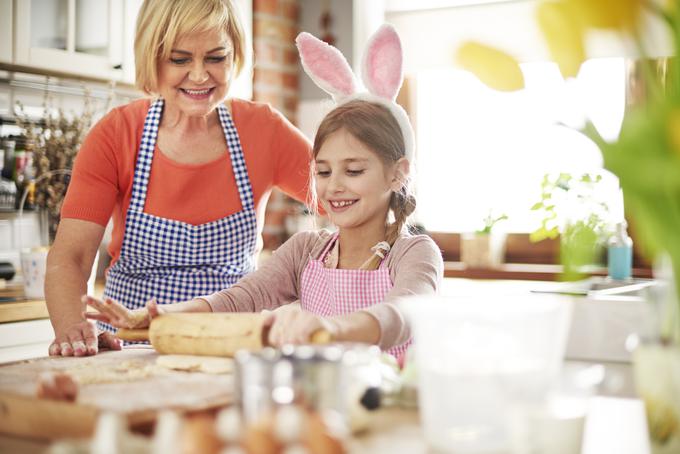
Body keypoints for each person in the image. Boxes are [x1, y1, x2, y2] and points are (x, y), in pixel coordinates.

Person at [86, 25, 443, 362]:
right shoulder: (307, 251)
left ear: (397, 174)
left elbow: (404, 314)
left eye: (353, 170)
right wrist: (159, 316)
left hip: (392, 407)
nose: (334, 185)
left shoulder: (413, 253)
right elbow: (239, 299)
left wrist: (332, 328)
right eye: (322, 171)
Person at [46, 0, 313, 357]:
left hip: (233, 348)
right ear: (151, 57)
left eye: (216, 58)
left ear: (235, 55)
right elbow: (72, 258)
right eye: (180, 59)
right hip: (129, 347)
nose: (200, 75)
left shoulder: (264, 130)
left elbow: (347, 193)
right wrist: (74, 329)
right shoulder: (116, 134)